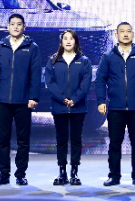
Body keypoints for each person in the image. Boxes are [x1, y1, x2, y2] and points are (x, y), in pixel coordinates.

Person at [95, 22, 135, 186]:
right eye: (122, 31)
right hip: (116, 108)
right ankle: (114, 176)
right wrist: (101, 101)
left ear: (133, 34)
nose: (126, 34)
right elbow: (100, 80)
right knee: (115, 144)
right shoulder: (108, 56)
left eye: (128, 31)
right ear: (116, 35)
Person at [0, 14, 41, 186]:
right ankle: (3, 174)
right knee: (3, 139)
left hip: (24, 101)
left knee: (23, 140)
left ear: (24, 27)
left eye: (19, 24)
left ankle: (21, 174)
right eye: (12, 24)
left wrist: (33, 97)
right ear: (8, 27)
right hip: (2, 101)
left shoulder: (32, 48)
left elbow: (35, 75)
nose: (16, 27)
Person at [45, 29, 92, 186]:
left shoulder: (84, 61)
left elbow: (86, 83)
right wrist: (63, 99)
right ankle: (62, 172)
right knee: (61, 140)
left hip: (78, 108)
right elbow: (50, 82)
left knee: (76, 140)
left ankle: (74, 173)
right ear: (61, 41)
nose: (68, 41)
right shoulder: (53, 61)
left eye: (71, 38)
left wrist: (75, 99)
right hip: (59, 107)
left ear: (76, 41)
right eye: (65, 38)